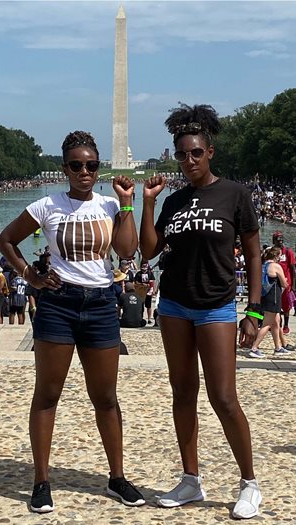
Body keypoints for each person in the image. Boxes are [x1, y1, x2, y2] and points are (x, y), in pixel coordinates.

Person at [0, 130, 144, 513]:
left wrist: (128, 203)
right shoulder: (47, 206)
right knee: (47, 394)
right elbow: (7, 240)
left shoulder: (111, 206)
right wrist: (30, 275)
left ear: (98, 168)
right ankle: (41, 480)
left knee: (106, 397)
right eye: (77, 165)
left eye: (91, 165)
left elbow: (128, 250)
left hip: (99, 306)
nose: (84, 171)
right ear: (65, 168)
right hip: (58, 305)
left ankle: (116, 476)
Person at [140, 103, 262, 519]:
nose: (188, 160)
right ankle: (191, 479)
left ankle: (249, 481)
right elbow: (148, 250)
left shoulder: (234, 194)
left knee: (224, 397)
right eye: (181, 154)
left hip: (216, 305)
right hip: (174, 304)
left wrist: (256, 310)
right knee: (182, 394)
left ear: (209, 151)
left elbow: (252, 251)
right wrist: (149, 204)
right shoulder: (173, 201)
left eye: (195, 153)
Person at [249, 247, 289, 357]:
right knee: (267, 324)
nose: (281, 257)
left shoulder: (263, 266)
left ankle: (278, 347)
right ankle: (254, 348)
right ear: (276, 256)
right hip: (274, 297)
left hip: (265, 296)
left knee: (276, 322)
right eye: (279, 255)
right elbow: (284, 284)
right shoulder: (276, 266)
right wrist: (285, 280)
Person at [272, 231, 295, 335]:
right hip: (274, 283)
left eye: (281, 239)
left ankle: (286, 325)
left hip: (286, 283)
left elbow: (293, 268)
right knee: (274, 304)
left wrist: (293, 285)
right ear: (274, 240)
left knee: (286, 306)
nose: (280, 241)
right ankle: (277, 324)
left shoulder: (288, 252)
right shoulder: (272, 252)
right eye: (278, 239)